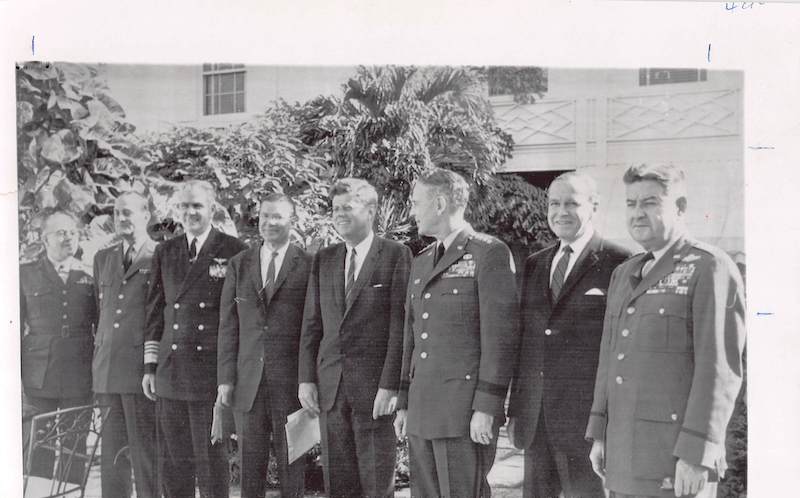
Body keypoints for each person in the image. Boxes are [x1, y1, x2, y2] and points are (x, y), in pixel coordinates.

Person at [586, 163, 746, 498]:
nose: (637, 213)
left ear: (681, 207)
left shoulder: (709, 267)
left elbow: (718, 372)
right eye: (631, 204)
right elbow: (609, 359)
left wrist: (697, 454)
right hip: (623, 454)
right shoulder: (624, 272)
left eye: (650, 203)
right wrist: (600, 433)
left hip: (674, 459)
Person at [395, 167, 519, 498]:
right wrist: (405, 401)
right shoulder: (421, 261)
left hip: (463, 413)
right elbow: (414, 335)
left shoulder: (488, 253)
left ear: (439, 204)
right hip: (423, 409)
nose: (412, 211)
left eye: (416, 202)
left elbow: (500, 337)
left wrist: (486, 407)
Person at [507, 172, 631, 498]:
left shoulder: (619, 262)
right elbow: (527, 342)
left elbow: (622, 350)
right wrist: (517, 410)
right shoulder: (535, 263)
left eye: (572, 203)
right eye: (554, 203)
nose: (561, 211)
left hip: (585, 425)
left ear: (593, 207)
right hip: (536, 421)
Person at [298, 178, 411, 498]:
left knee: (377, 485)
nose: (339, 214)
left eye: (348, 207)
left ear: (371, 210)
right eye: (335, 209)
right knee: (339, 485)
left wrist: (392, 386)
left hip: (374, 392)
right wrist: (305, 379)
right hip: (330, 390)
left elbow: (400, 326)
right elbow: (312, 324)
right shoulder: (325, 258)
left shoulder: (395, 255)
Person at [143, 180, 247, 498]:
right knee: (174, 466)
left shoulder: (233, 250)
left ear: (212, 209)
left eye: (197, 206)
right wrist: (149, 366)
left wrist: (231, 377)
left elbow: (241, 319)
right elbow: (155, 312)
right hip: (171, 373)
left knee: (212, 465)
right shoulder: (166, 251)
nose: (191, 212)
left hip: (210, 374)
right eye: (185, 206)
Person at [217, 193, 312, 498]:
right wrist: (225, 380)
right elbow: (229, 326)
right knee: (249, 474)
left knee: (292, 472)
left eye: (278, 216)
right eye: (265, 216)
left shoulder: (309, 264)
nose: (270, 222)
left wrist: (309, 379)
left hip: (291, 386)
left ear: (292, 222)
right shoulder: (239, 264)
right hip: (248, 385)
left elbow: (315, 327)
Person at [20, 210, 97, 483]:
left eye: (73, 232)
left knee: (74, 450)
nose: (69, 238)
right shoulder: (24, 274)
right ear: (45, 239)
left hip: (79, 375)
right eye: (61, 232)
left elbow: (99, 327)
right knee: (37, 450)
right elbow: (12, 331)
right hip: (38, 377)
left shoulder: (89, 275)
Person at [93, 192, 159, 498]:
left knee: (145, 453)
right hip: (107, 370)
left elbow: (160, 314)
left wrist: (152, 366)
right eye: (118, 212)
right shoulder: (103, 258)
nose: (122, 218)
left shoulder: (159, 255)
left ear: (145, 215)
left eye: (129, 212)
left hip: (139, 372)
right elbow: (100, 312)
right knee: (112, 456)